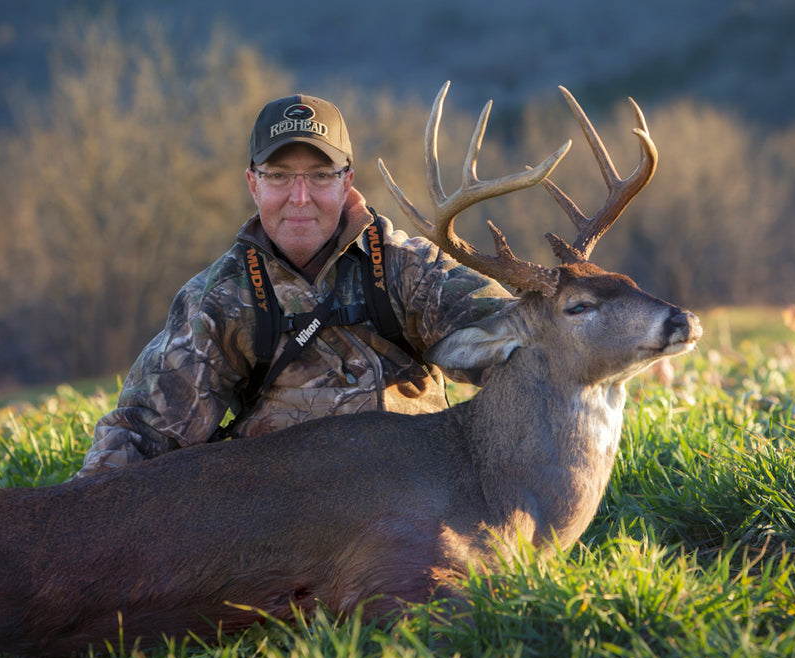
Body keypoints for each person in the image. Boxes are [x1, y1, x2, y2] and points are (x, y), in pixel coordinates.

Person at [76, 93, 512, 477]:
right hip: (280, 530)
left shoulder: (409, 269)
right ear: (253, 183)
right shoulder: (219, 299)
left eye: (320, 175)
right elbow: (142, 432)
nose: (299, 197)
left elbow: (521, 344)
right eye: (279, 175)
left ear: (347, 181)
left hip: (415, 507)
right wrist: (78, 519)